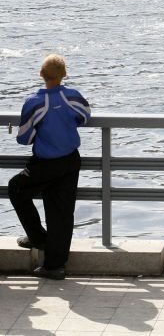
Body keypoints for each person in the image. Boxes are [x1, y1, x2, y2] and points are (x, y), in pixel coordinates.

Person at [9, 54, 91, 280]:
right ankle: (55, 265)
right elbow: (84, 116)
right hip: (70, 160)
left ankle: (37, 238)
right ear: (64, 75)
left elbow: (24, 138)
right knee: (62, 211)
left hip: (45, 163)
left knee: (16, 189)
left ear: (41, 75)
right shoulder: (72, 96)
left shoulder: (34, 102)